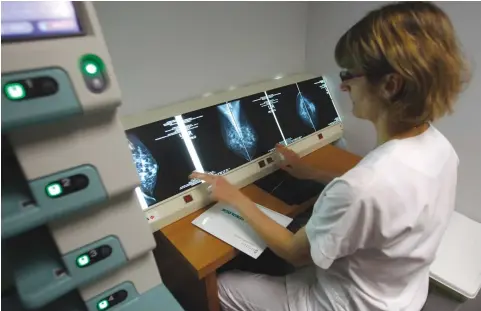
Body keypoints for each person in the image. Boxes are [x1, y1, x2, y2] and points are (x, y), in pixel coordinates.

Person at [190, 1, 470, 310]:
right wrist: (310, 173)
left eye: (350, 74)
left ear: (390, 85)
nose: (343, 85)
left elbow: (294, 252)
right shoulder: (440, 148)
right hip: (400, 296)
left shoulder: (364, 185)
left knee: (220, 288)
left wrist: (233, 196)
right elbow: (387, 201)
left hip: (344, 303)